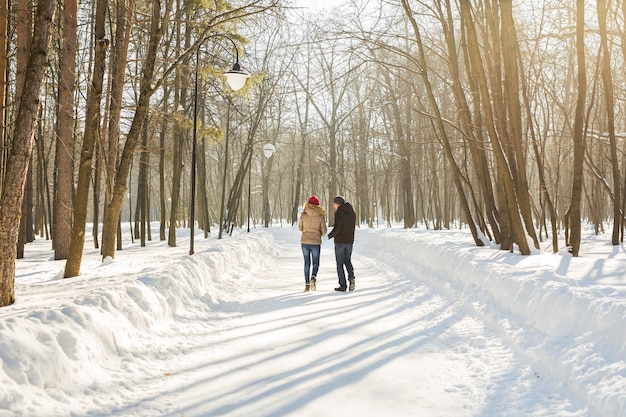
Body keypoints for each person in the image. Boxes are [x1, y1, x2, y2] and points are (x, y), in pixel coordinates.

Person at [298, 195, 327, 292]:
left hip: (305, 242)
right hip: (315, 242)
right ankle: (313, 277)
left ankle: (307, 284)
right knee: (315, 262)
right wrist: (318, 232)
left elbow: (300, 228)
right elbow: (324, 231)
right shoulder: (320, 216)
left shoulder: (304, 214)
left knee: (307, 263)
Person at [327, 195, 356, 292]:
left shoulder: (339, 213)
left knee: (339, 264)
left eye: (334, 204)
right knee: (348, 261)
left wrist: (329, 235)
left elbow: (337, 228)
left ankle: (343, 285)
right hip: (349, 241)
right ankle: (351, 278)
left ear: (337, 204)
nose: (333, 206)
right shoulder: (352, 213)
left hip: (340, 242)